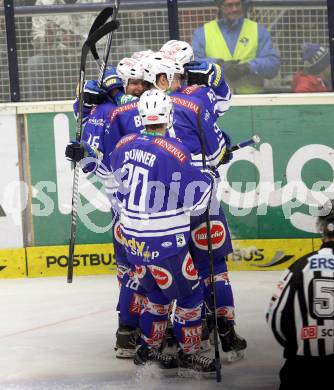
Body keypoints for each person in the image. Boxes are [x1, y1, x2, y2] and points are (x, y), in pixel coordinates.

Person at [266, 199, 334, 389]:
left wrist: (296, 347)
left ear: (321, 227)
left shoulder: (299, 268)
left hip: (302, 370)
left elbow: (275, 317)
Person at [192, 0, 280, 94]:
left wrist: (249, 67)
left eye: (238, 4)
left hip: (253, 101)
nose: (234, 9)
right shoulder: (202, 33)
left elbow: (273, 65)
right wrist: (218, 65)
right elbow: (193, 65)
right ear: (220, 6)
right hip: (215, 101)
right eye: (229, 5)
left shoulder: (259, 31)